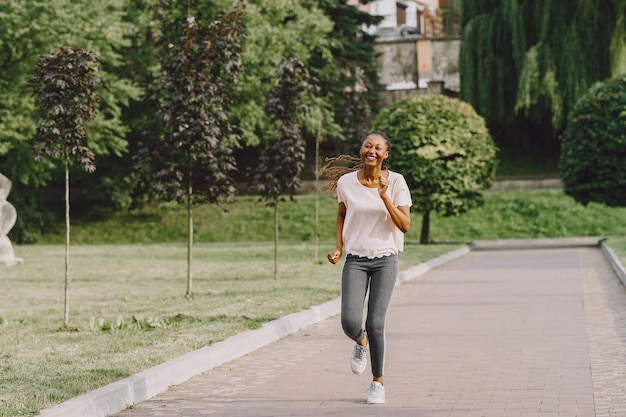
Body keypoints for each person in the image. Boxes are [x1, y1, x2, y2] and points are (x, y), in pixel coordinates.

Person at [323, 131, 412, 404]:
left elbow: (405, 225)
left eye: (378, 147)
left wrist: (384, 196)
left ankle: (378, 382)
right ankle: (361, 343)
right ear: (361, 151)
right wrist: (339, 245)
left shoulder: (396, 182)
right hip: (356, 260)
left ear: (385, 155)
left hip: (385, 259)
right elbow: (341, 214)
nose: (371, 150)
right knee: (350, 321)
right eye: (367, 146)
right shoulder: (347, 183)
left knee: (375, 322)